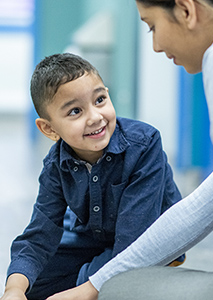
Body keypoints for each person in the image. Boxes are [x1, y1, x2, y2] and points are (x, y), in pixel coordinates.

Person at [44, 0, 213, 299]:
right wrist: (91, 286)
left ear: (187, 10)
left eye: (152, 26)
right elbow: (198, 209)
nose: (156, 46)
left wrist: (101, 287)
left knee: (122, 289)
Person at [1, 53, 185, 300]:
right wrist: (14, 289)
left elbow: (134, 242)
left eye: (100, 100)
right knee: (36, 281)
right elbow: (39, 234)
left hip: (143, 241)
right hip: (93, 238)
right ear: (49, 129)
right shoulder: (56, 164)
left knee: (100, 279)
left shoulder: (144, 145)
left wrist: (84, 287)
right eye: (75, 111)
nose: (96, 117)